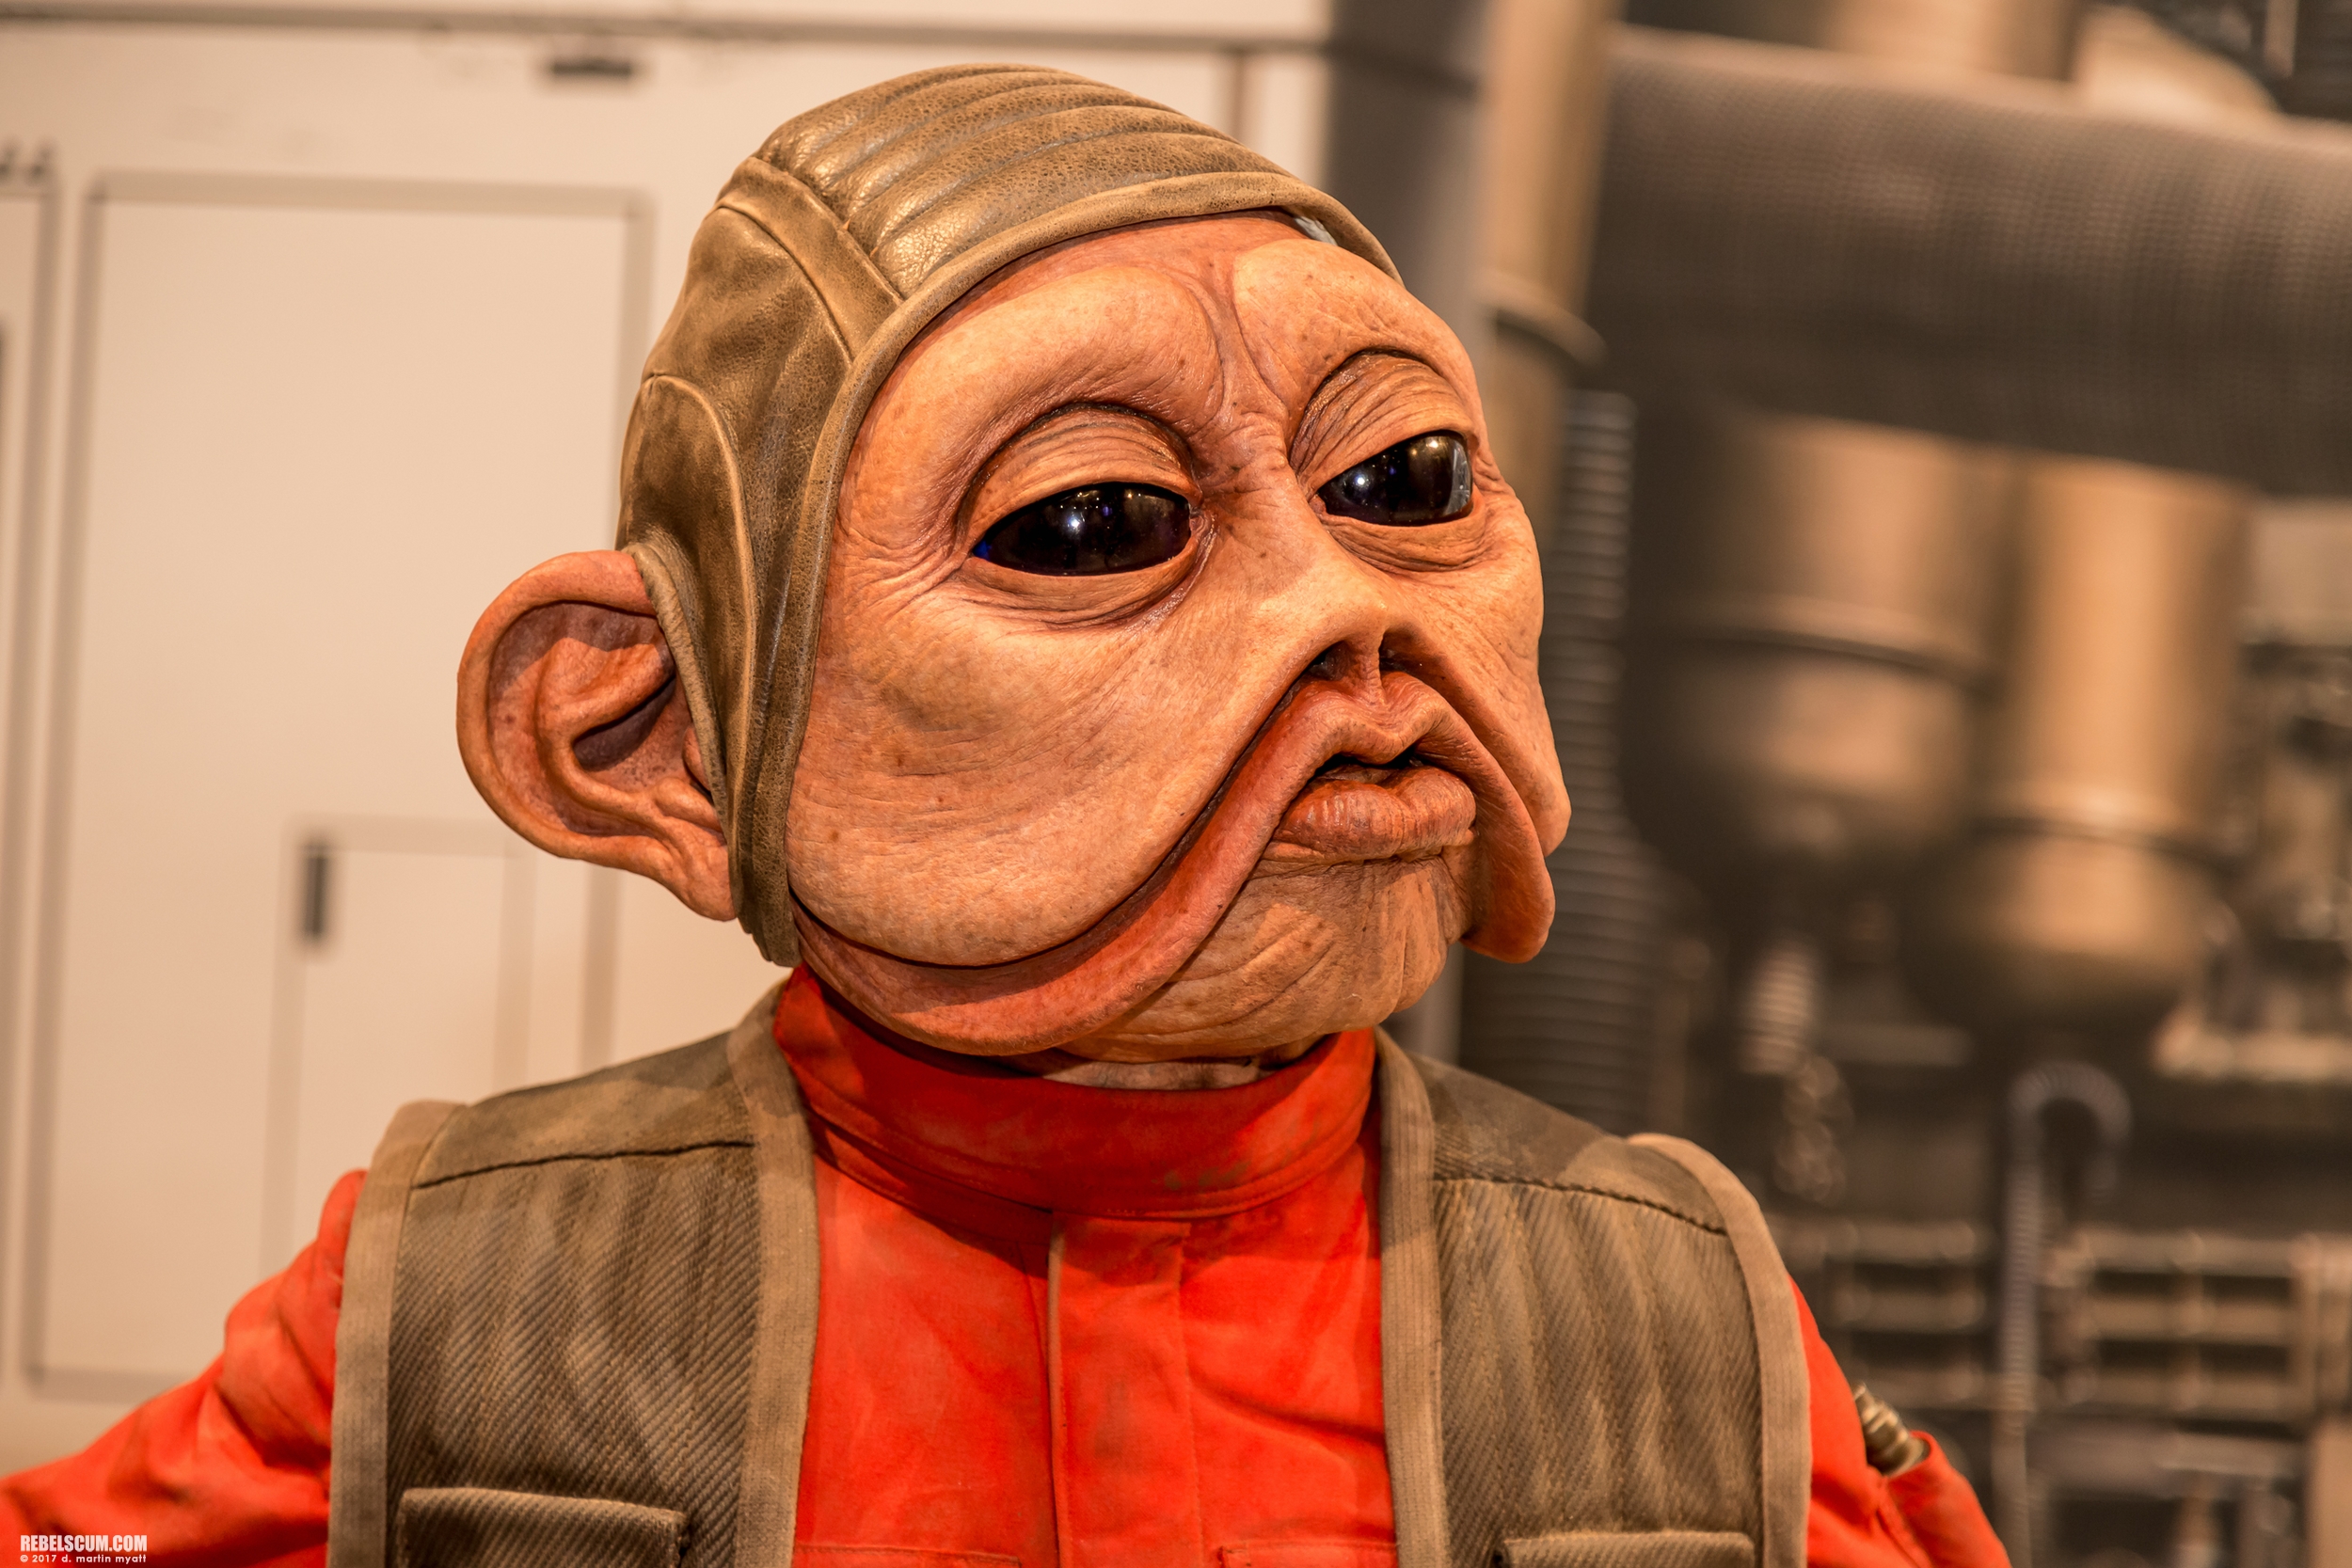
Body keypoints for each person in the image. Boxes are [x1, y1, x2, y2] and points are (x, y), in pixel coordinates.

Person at [4, 64, 2004, 1568]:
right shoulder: (472, 1297)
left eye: (1399, 477)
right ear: (654, 739)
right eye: (1093, 519)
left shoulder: (1676, 1332)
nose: (1345, 601)